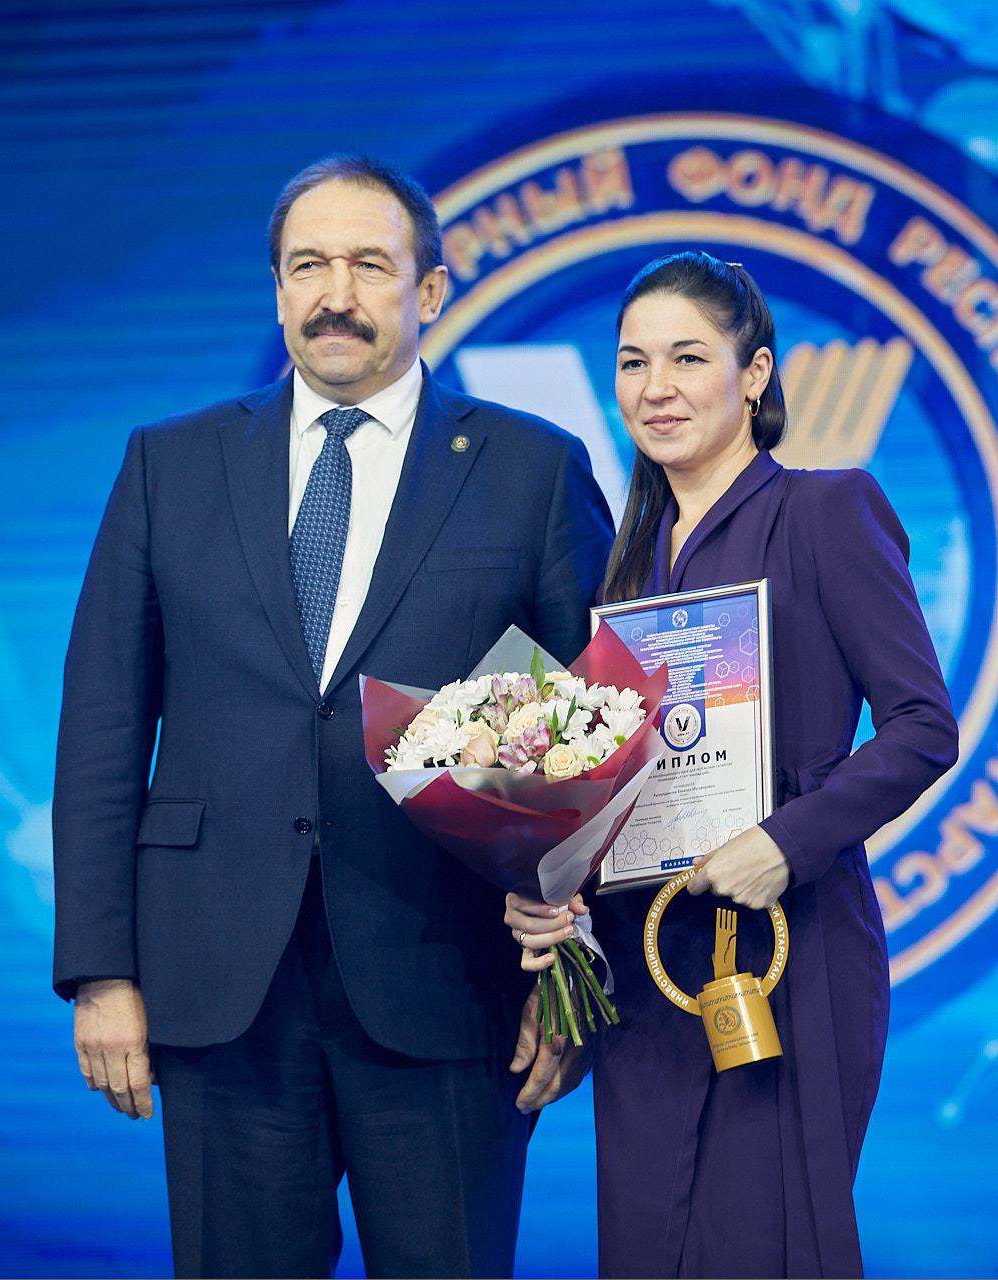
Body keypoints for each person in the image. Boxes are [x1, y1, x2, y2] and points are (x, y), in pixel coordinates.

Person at [51, 154, 613, 1279]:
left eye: (369, 265)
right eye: (308, 266)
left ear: (432, 290)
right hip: (219, 982)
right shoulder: (170, 463)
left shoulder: (532, 468)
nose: (335, 295)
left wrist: (571, 966)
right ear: (277, 291)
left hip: (452, 979)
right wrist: (102, 970)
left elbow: (600, 732)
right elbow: (103, 727)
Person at [504, 251, 959, 1277]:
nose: (655, 387)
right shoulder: (620, 569)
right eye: (633, 363)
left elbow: (923, 725)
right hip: (647, 964)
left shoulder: (826, 511)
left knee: (767, 1245)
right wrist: (554, 894)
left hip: (789, 948)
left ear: (754, 374)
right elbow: (597, 782)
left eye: (688, 358)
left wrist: (785, 843)